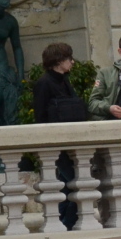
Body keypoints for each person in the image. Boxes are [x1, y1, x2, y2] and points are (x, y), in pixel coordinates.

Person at [33, 43, 83, 229]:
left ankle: (64, 224)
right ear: (59, 60)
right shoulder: (44, 83)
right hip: (57, 146)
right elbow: (40, 117)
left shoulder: (64, 80)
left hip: (71, 143)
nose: (72, 62)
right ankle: (66, 224)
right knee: (73, 183)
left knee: (67, 185)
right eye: (69, 58)